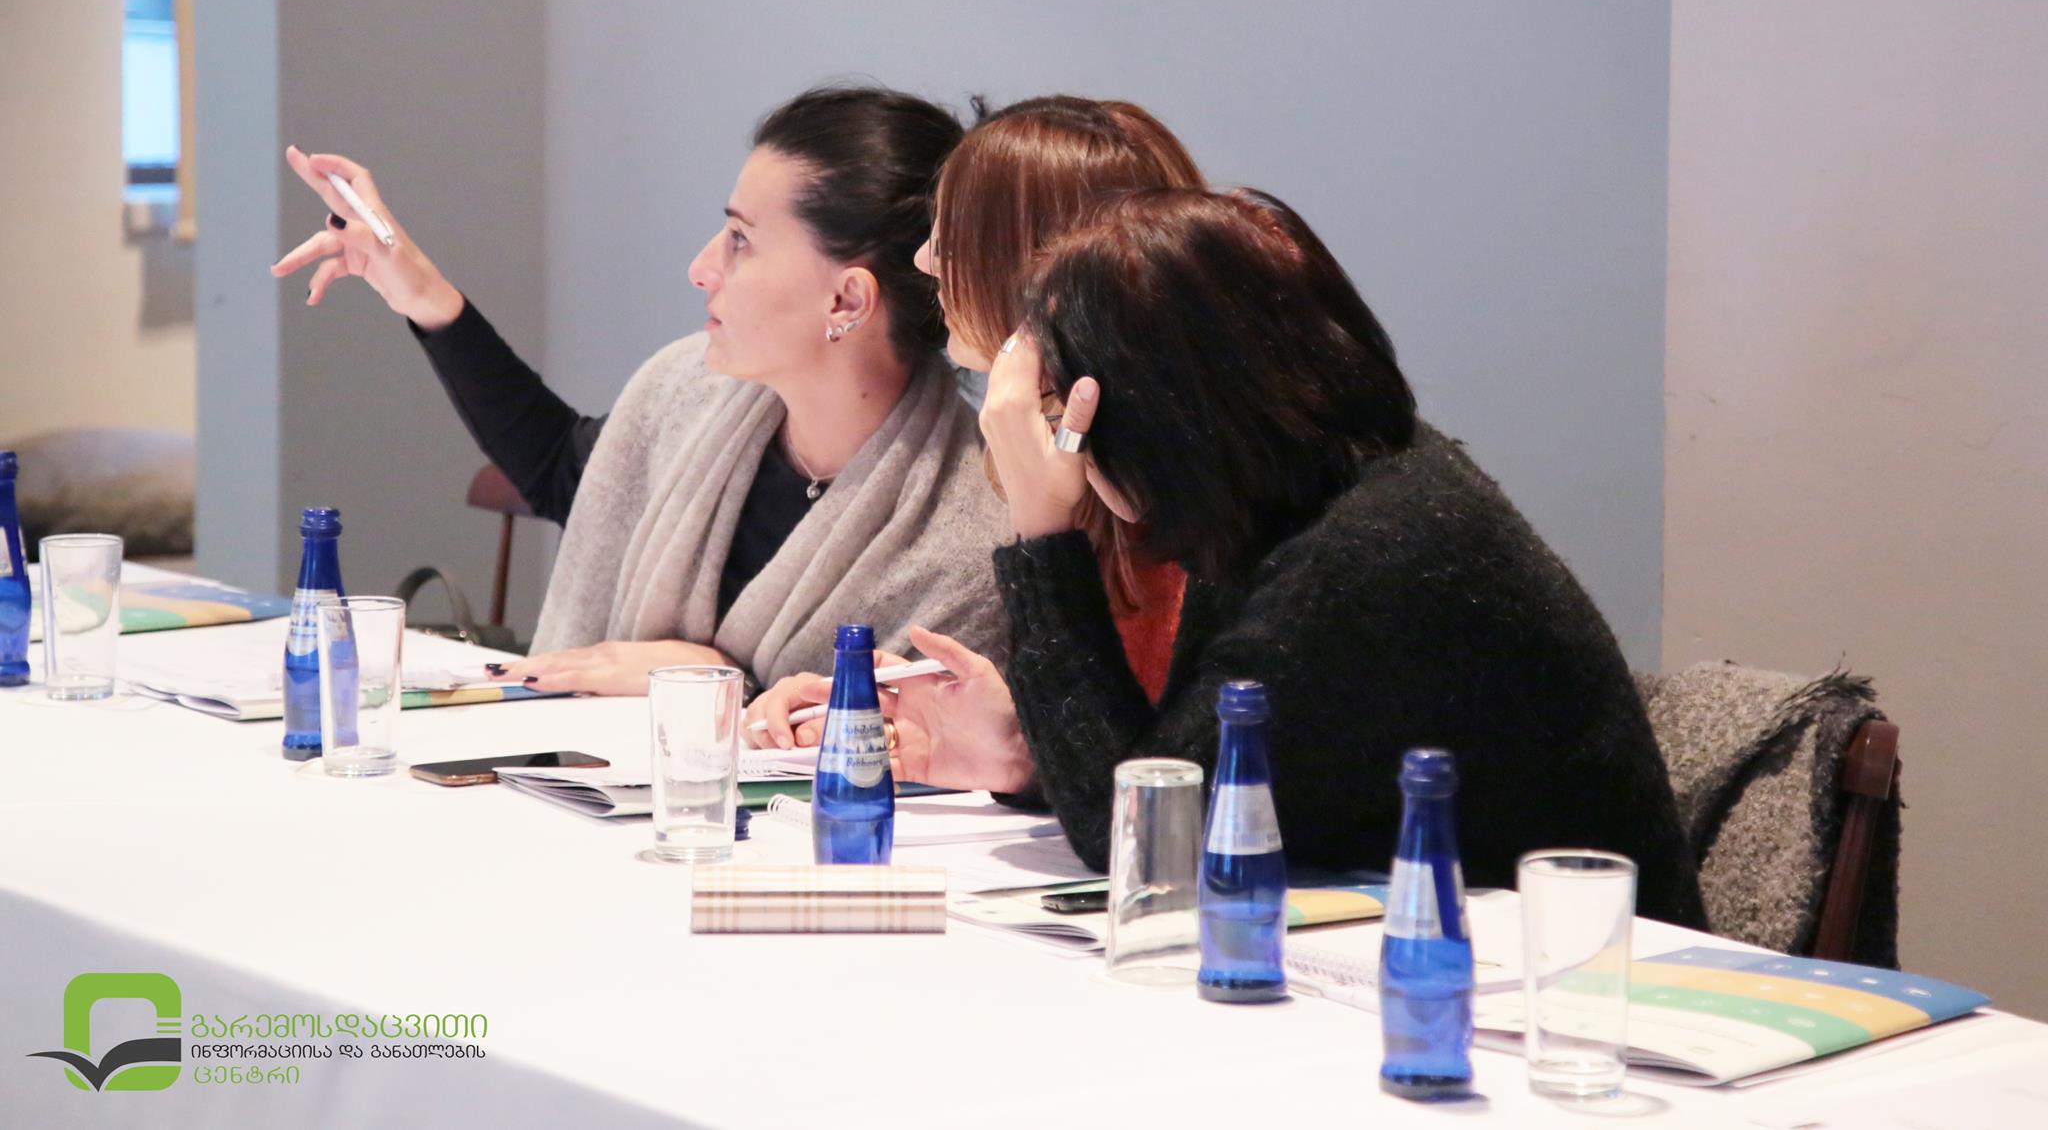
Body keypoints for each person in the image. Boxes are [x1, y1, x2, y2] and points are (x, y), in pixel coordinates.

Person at [800, 186, 1706, 926]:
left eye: (1060, 415)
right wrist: (1027, 753)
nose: (1062, 449)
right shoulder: (1320, 490)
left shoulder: (1368, 560)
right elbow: (1168, 774)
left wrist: (1043, 538)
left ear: (1149, 415)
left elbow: (1145, 842)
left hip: (1579, 1005)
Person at [269, 86, 1012, 694]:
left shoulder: (968, 532)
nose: (702, 267)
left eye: (741, 240)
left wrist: (715, 688)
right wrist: (421, 293)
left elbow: (910, 758)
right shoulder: (689, 393)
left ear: (846, 301)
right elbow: (569, 472)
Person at [743, 94, 1204, 745]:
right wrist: (969, 732)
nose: (926, 260)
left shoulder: (1175, 521)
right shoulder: (1089, 473)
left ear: (1046, 265)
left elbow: (1133, 774)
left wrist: (1044, 535)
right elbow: (1076, 749)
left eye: (957, 236)